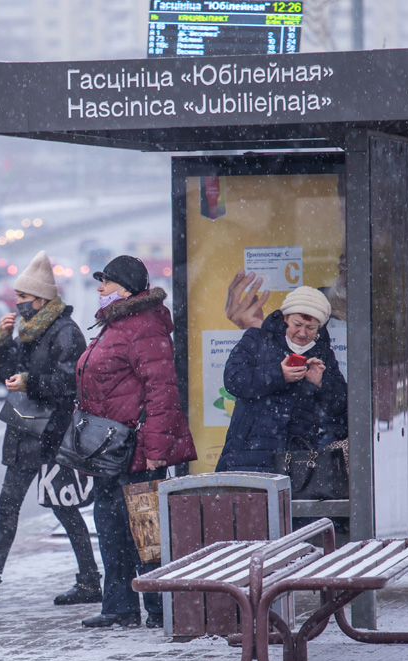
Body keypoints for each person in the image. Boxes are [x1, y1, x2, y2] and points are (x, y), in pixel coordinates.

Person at [0, 251, 101, 607]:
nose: (17, 304)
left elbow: (69, 383)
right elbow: (5, 375)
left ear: (42, 298)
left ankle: (91, 581)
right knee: (7, 506)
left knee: (64, 507)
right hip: (24, 431)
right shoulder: (26, 331)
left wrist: (31, 383)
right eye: (17, 297)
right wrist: (1, 342)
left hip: (55, 435)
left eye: (23, 297)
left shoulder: (66, 332)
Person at [77, 255, 196, 629]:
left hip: (138, 450)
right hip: (111, 450)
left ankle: (160, 610)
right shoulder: (116, 325)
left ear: (126, 288)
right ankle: (119, 607)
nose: (100, 288)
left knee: (147, 532)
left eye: (106, 282)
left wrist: (156, 453)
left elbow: (162, 393)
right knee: (111, 527)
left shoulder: (143, 326)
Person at [216, 286, 347, 473]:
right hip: (247, 454)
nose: (302, 333)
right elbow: (234, 379)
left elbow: (340, 406)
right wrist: (279, 374)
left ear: (320, 327)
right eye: (297, 324)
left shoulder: (323, 355)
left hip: (298, 461)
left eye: (310, 328)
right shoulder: (257, 339)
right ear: (284, 318)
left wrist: (321, 382)